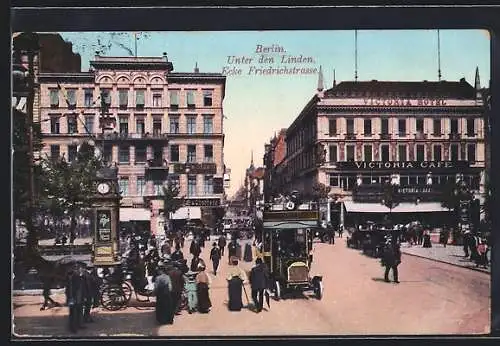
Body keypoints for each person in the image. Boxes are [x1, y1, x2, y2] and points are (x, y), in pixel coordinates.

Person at [66, 264, 86, 333]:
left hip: (78, 298)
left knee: (77, 313)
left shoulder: (76, 277)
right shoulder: (74, 277)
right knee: (73, 314)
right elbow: (71, 289)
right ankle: (73, 328)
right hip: (74, 298)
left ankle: (77, 325)